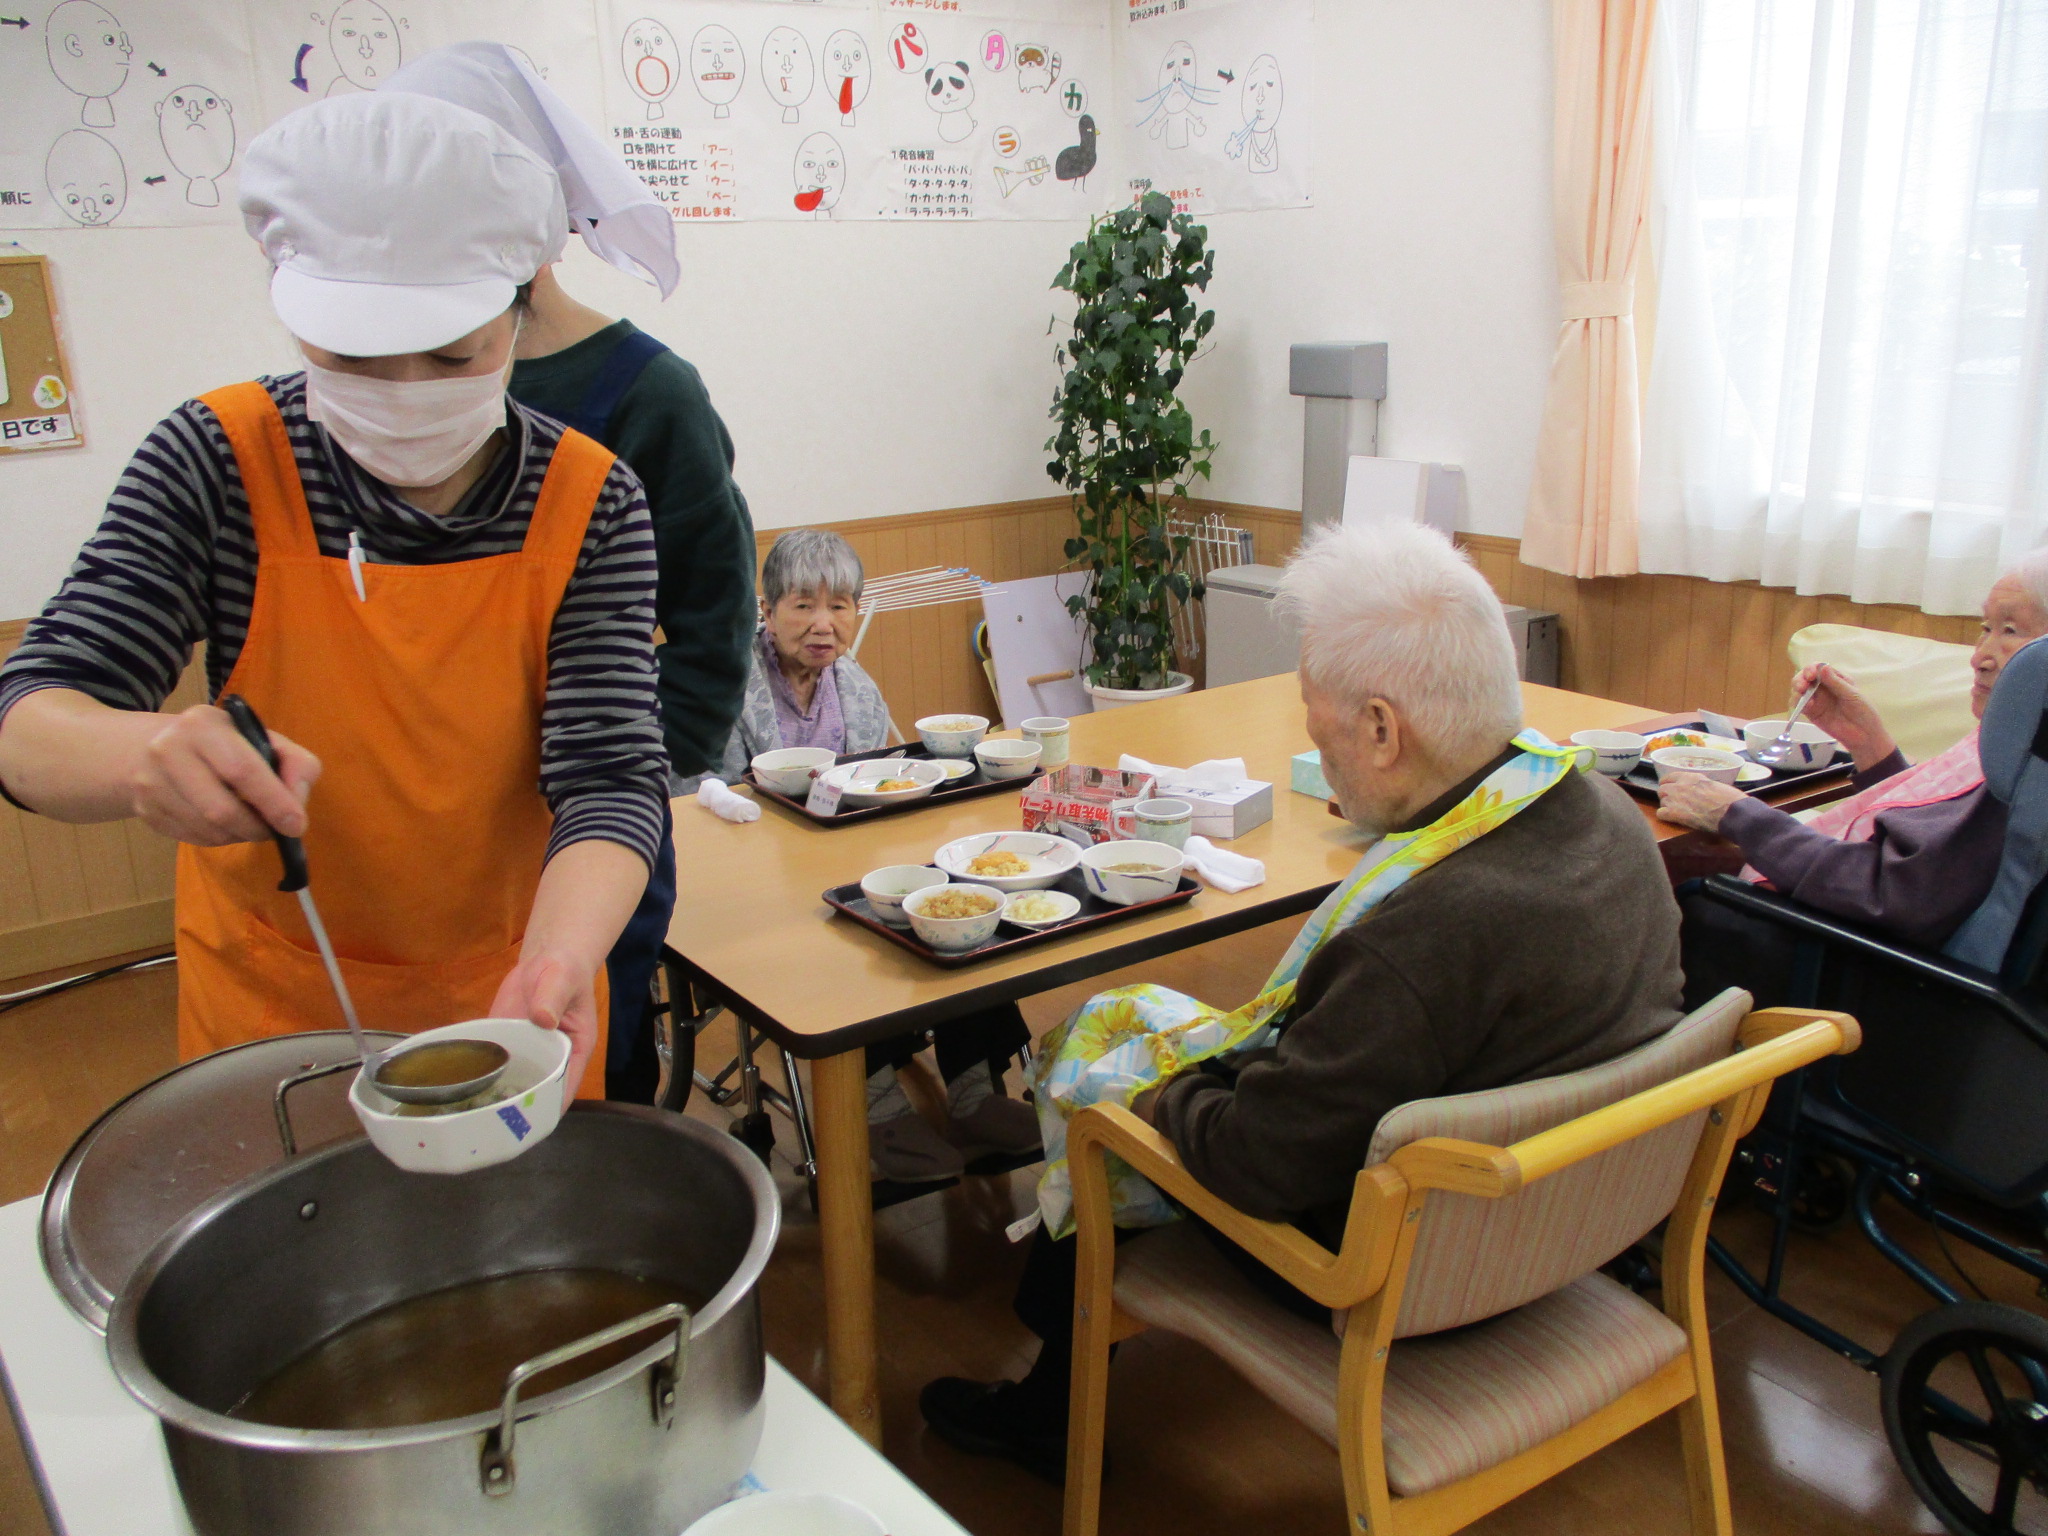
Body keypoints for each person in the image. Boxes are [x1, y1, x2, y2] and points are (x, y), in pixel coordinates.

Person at [920, 521, 1685, 1481]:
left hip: (1408, 1274)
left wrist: (1157, 1100)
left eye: (1315, 718)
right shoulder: (1610, 820)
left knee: (1108, 1104)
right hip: (1572, 1218)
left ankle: (1046, 1418)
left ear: (1380, 728)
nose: (1311, 737)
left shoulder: (1420, 939)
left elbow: (1253, 1161)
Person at [0, 93, 672, 1101]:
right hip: (273, 1007)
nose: (403, 388)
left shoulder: (590, 500)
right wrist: (139, 756)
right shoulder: (216, 460)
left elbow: (610, 777)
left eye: (453, 355)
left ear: (521, 313)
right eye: (352, 358)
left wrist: (558, 965)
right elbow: (31, 715)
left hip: (513, 990)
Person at [383, 42, 758, 1102]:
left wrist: (627, 794)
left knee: (582, 1096)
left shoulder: (646, 396)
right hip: (418, 852)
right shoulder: (367, 401)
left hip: (587, 837)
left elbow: (712, 629)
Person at [717, 528, 1041, 1183]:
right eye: (802, 604)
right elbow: (701, 804)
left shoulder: (856, 686)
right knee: (845, 936)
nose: (822, 624)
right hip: (759, 886)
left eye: (839, 606)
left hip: (853, 861)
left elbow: (889, 782)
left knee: (954, 905)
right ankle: (878, 1111)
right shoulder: (729, 686)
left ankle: (976, 1092)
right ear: (769, 609)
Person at [1659, 550, 2048, 1003]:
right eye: (1986, 628)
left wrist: (1738, 814)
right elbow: (1931, 846)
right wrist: (1869, 747)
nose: (1980, 656)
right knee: (1685, 857)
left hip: (1868, 979)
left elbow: (1889, 895)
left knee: (1666, 878)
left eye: (2012, 632)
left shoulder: (2022, 779)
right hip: (1869, 934)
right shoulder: (2021, 751)